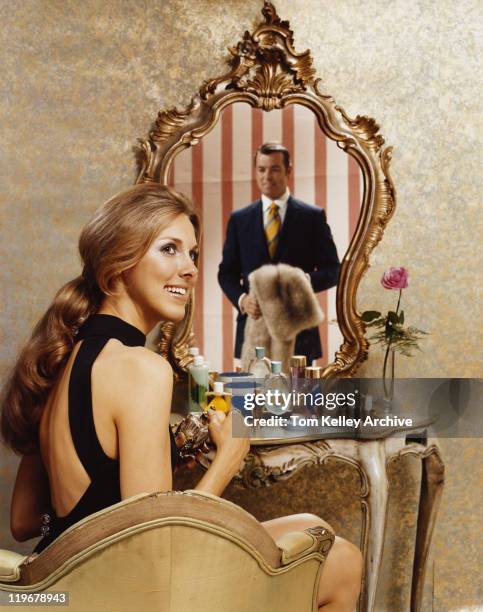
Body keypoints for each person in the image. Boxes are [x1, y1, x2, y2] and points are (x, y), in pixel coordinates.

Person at [1, 183, 361, 610]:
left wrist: (151, 466)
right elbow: (159, 549)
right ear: (118, 265)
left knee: (310, 526)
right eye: (169, 249)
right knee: (340, 559)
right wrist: (227, 461)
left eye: (191, 254)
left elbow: (26, 522)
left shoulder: (61, 358)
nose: (190, 269)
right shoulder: (141, 367)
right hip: (129, 594)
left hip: (72, 588)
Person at [218, 141, 340, 364]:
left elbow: (334, 270)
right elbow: (226, 273)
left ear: (288, 171)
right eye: (261, 169)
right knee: (253, 397)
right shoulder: (239, 220)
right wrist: (243, 300)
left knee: (298, 398)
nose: (267, 176)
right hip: (253, 330)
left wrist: (303, 281)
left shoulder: (311, 217)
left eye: (274, 169)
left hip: (300, 332)